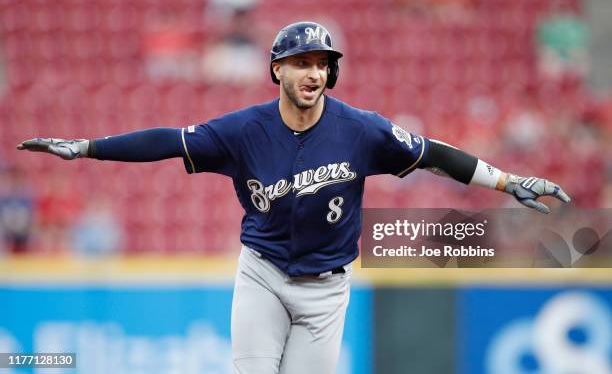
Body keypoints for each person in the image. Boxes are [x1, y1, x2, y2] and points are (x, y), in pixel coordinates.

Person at [17, 21, 571, 374]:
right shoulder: (241, 130)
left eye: (322, 63)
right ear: (277, 69)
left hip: (327, 290)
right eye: (302, 62)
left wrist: (504, 181)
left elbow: (434, 154)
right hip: (262, 274)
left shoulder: (362, 130)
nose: (314, 72)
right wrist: (88, 147)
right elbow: (167, 141)